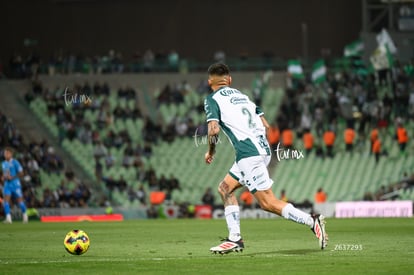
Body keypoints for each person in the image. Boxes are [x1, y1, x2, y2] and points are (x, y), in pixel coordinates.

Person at [203, 63, 327, 254]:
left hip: (248, 154)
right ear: (230, 80)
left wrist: (211, 151)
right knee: (225, 188)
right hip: (262, 149)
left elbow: (213, 129)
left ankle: (312, 221)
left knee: (268, 203)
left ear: (210, 81)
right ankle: (235, 239)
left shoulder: (212, 99)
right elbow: (262, 117)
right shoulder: (242, 96)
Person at [1, 147, 28, 223]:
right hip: (7, 185)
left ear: (11, 154)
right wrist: (3, 177)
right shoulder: (3, 163)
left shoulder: (15, 162)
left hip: (15, 184)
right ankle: (8, 218)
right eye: (5, 153)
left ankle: (25, 215)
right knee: (6, 201)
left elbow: (21, 173)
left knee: (20, 201)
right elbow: (4, 173)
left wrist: (12, 177)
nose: (5, 155)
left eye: (7, 153)